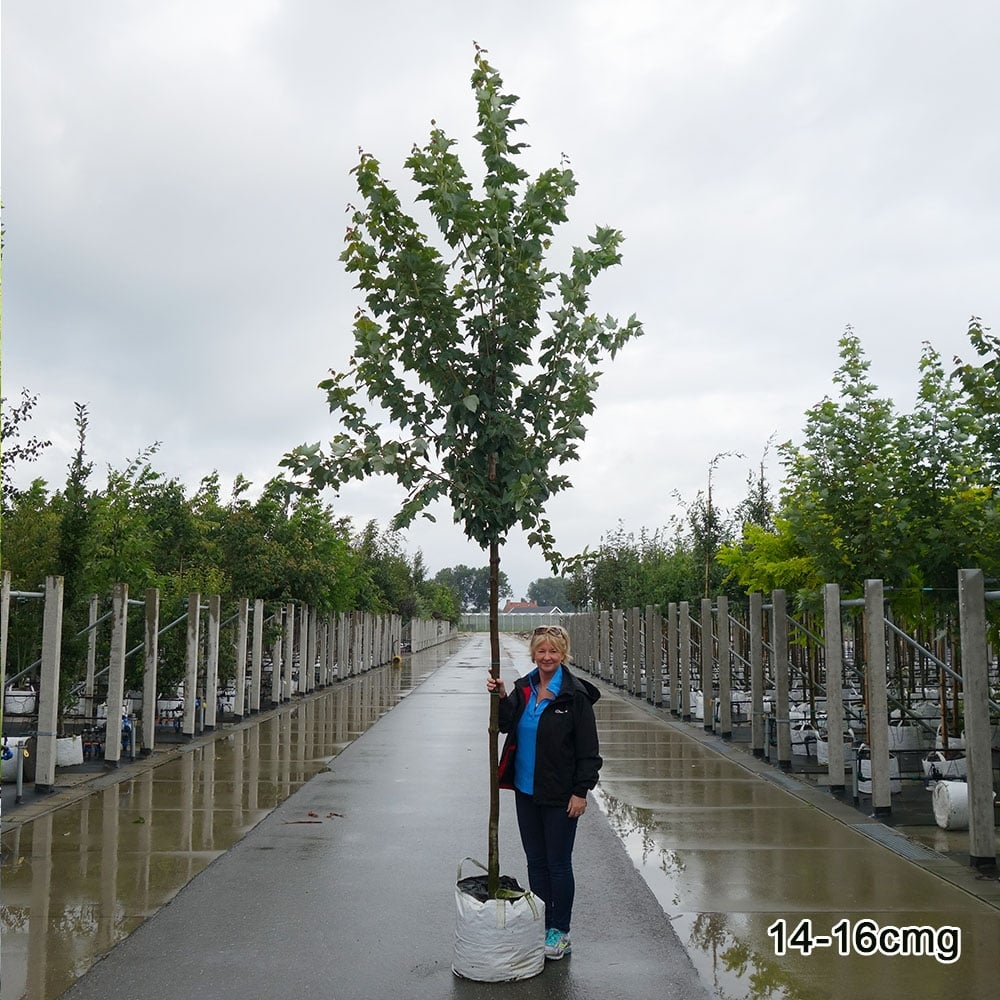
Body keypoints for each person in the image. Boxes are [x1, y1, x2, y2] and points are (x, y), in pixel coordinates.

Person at [486, 624, 602, 961]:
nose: (547, 657)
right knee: (535, 862)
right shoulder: (525, 688)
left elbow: (589, 752)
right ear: (533, 654)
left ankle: (559, 931)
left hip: (559, 794)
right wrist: (502, 695)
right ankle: (541, 922)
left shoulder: (575, 696)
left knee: (558, 864)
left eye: (553, 651)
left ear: (563, 654)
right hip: (526, 789)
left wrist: (581, 792)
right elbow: (507, 724)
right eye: (541, 651)